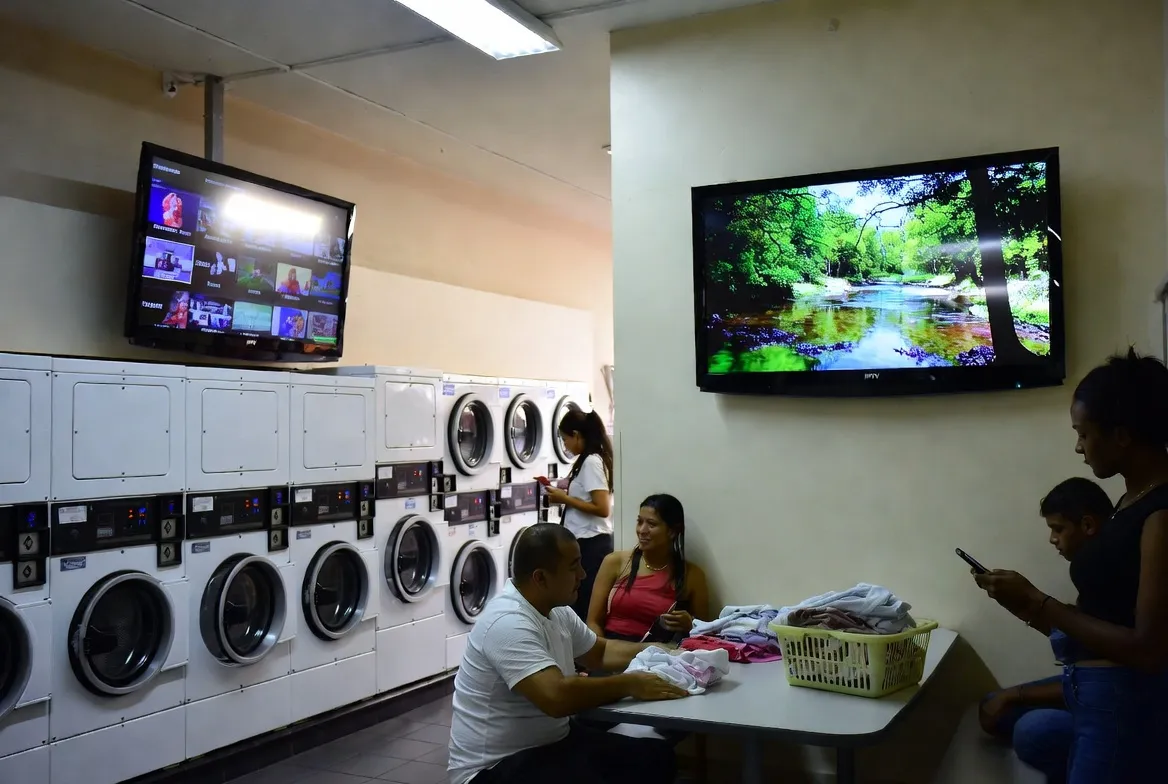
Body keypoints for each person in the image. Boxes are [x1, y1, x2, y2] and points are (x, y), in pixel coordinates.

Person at [974, 349, 1168, 783]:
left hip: (1120, 704)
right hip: (1091, 694)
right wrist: (1024, 605)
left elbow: (1148, 648)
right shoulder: (1127, 503)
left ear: (1121, 435)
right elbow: (1107, 617)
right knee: (1017, 723)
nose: (1078, 446)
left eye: (1084, 434)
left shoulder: (1160, 513)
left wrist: (1038, 603)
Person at [447, 524, 687, 784]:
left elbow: (599, 652)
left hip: (553, 743)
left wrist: (664, 651)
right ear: (540, 578)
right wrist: (631, 683)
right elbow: (556, 697)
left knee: (656, 758)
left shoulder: (556, 609)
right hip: (496, 766)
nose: (583, 574)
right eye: (574, 567)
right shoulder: (506, 621)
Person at [978, 477, 1112, 782]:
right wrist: (1016, 604)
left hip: (1109, 692)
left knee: (1031, 730)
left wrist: (1018, 694)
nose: (1053, 539)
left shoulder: (1108, 569)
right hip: (1089, 681)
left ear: (1088, 525)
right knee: (990, 706)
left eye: (1058, 529)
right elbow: (1076, 637)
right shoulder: (1092, 564)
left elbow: (1097, 672)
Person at [587, 494, 710, 643]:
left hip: (656, 658)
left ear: (672, 531)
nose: (642, 530)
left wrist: (691, 625)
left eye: (651, 524)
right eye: (639, 522)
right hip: (611, 651)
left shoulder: (691, 575)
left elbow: (706, 635)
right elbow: (593, 622)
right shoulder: (615, 562)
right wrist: (601, 653)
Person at [545, 409, 614, 619]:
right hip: (585, 543)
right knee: (577, 606)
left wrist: (564, 499)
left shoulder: (592, 461)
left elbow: (602, 508)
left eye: (565, 439)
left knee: (583, 608)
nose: (564, 445)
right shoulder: (588, 460)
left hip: (592, 545)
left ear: (576, 435)